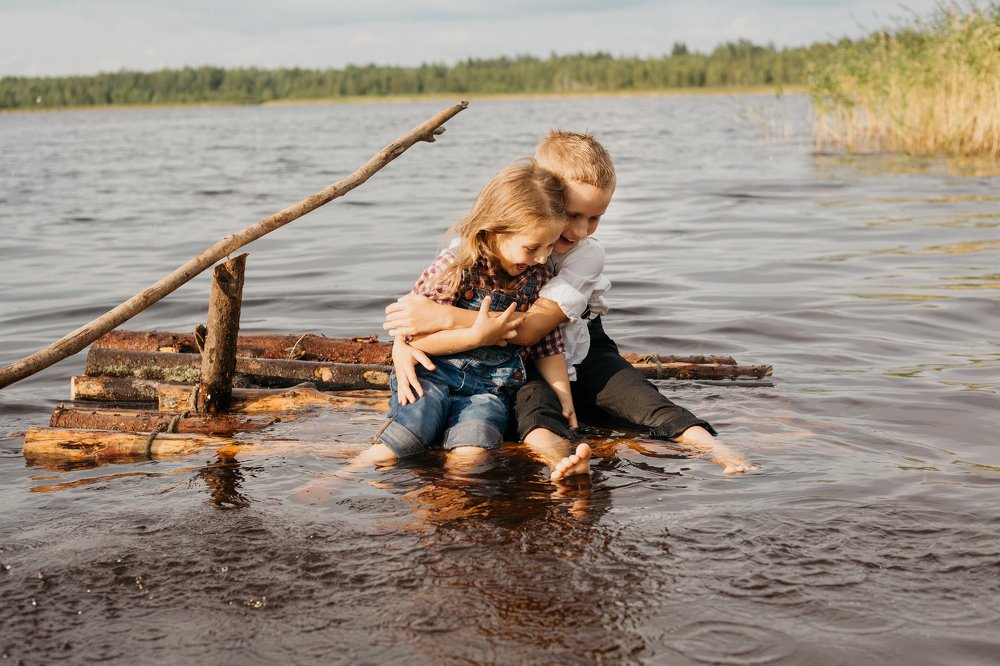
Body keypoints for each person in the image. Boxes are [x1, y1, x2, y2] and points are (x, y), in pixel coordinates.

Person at [384, 130, 752, 478]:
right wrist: (403, 344)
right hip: (520, 361)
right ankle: (565, 464)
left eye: (595, 218)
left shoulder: (587, 254)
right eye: (572, 215)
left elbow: (533, 329)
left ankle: (715, 448)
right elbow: (428, 300)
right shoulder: (496, 237)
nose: (580, 230)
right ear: (545, 196)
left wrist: (444, 317)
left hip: (583, 347)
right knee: (536, 414)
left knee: (641, 399)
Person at [349, 157, 582, 473]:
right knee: (406, 438)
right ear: (494, 230)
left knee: (473, 449)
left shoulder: (538, 278)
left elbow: (547, 346)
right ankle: (340, 476)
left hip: (488, 389)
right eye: (532, 248)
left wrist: (564, 398)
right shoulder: (456, 267)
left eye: (550, 246)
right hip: (432, 375)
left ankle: (456, 498)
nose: (542, 258)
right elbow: (416, 340)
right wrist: (475, 336)